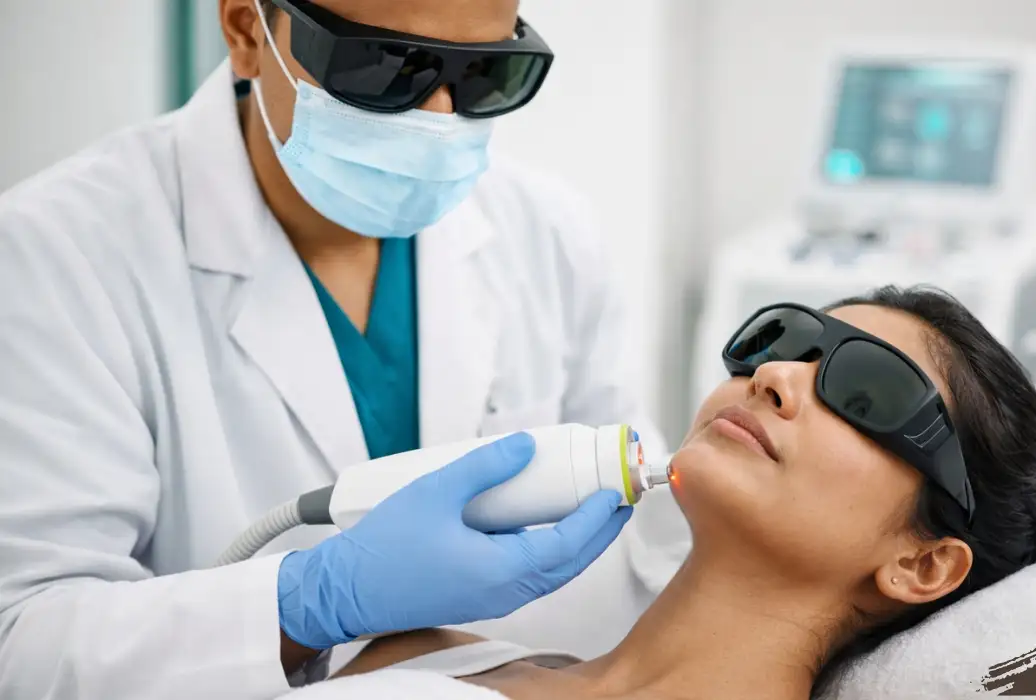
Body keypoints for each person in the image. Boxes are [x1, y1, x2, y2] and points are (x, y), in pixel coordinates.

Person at [0, 1, 662, 698]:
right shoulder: (55, 254)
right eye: (385, 65)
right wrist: (310, 604)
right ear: (248, 30)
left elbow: (645, 542)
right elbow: (23, 644)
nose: (438, 118)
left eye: (488, 75)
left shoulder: (549, 235)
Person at [281, 286, 1036, 700]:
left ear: (923, 563)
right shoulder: (413, 649)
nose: (776, 374)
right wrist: (303, 613)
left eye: (869, 393)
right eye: (787, 339)